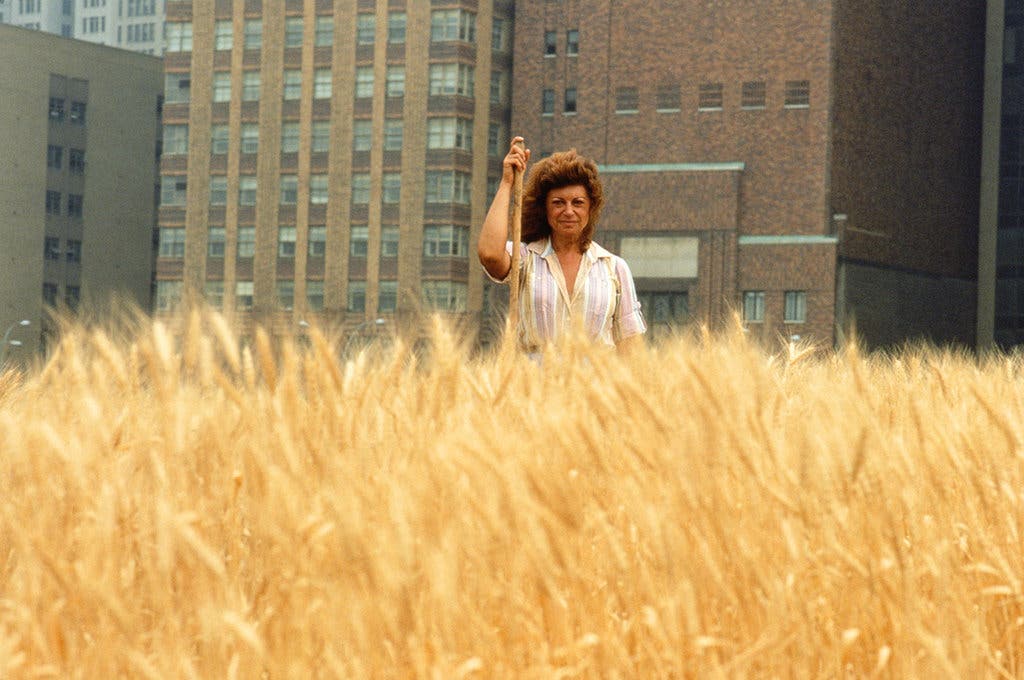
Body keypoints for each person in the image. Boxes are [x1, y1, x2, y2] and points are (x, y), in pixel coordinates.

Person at [478, 137, 646, 354]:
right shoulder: (525, 257)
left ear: (590, 209)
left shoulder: (614, 268)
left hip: (595, 385)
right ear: (544, 209)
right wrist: (507, 182)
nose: (568, 211)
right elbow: (490, 254)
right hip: (535, 383)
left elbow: (631, 346)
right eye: (558, 203)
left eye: (578, 203)